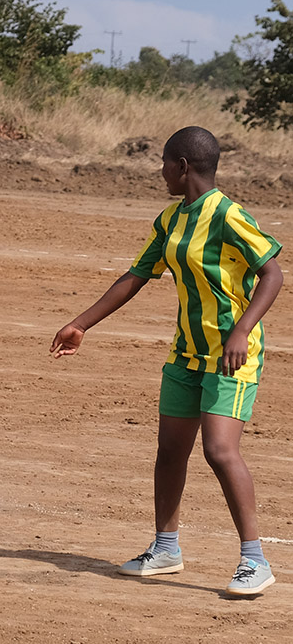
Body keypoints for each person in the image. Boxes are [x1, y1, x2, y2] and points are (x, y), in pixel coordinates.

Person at [50, 126, 283, 596]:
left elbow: (272, 274)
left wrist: (241, 330)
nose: (160, 173)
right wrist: (81, 323)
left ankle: (255, 561)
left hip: (232, 356)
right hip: (185, 354)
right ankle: (166, 547)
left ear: (182, 166)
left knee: (220, 451)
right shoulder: (172, 219)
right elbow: (136, 275)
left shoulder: (229, 216)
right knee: (170, 452)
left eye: (163, 164)